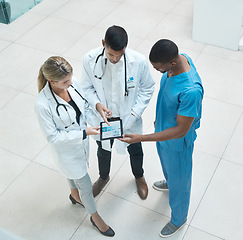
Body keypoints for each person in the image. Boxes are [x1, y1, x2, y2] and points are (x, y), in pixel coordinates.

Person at [120, 39, 204, 238]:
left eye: (159, 69)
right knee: (168, 167)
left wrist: (142, 137)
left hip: (177, 142)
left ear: (172, 63)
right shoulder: (180, 59)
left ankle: (179, 218)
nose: (159, 72)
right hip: (163, 134)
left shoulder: (190, 91)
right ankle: (169, 180)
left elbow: (181, 130)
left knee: (181, 181)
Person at [35, 56, 115, 237]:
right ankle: (95, 217)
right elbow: (52, 137)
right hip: (66, 152)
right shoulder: (42, 104)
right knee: (86, 185)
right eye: (65, 81)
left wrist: (97, 107)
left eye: (70, 78)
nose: (71, 83)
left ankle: (74, 195)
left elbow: (84, 105)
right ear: (51, 81)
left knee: (75, 178)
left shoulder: (72, 84)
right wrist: (84, 133)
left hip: (80, 142)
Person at [81, 25, 155, 200]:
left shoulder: (138, 61)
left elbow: (147, 88)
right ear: (103, 43)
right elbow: (86, 88)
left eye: (119, 55)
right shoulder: (89, 59)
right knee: (103, 150)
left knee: (135, 149)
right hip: (104, 118)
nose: (115, 59)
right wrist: (97, 104)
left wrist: (135, 113)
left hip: (129, 119)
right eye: (111, 54)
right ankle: (103, 177)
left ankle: (139, 176)